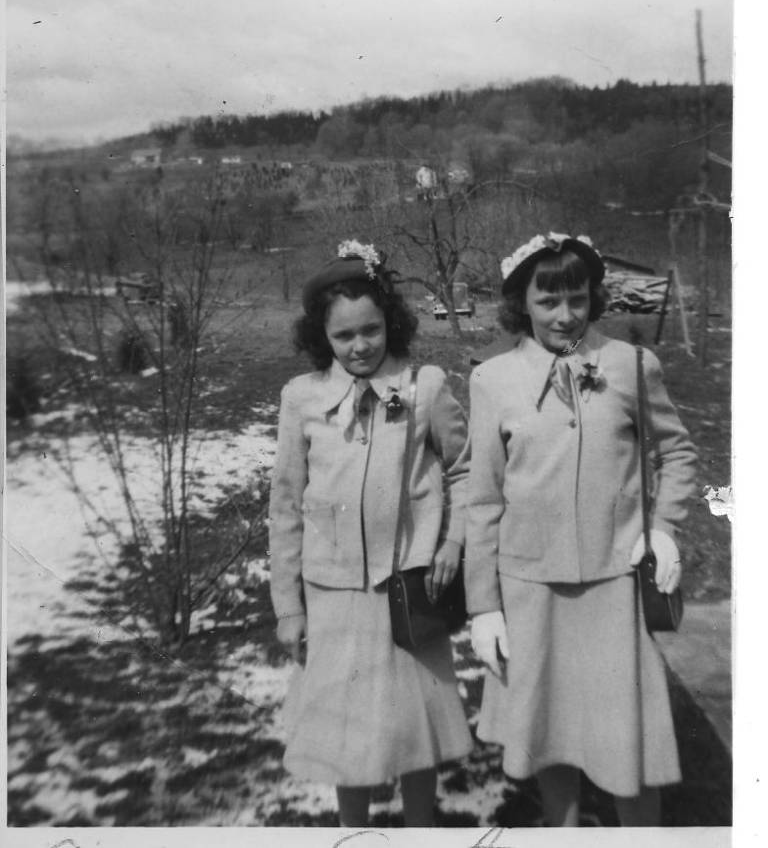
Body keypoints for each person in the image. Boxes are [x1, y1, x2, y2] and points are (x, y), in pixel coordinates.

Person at [465, 231, 697, 827]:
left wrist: (664, 528)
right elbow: (484, 498)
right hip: (530, 588)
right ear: (523, 305)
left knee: (629, 740)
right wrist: (484, 605)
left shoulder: (631, 365)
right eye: (548, 302)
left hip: (612, 583)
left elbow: (678, 453)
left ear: (593, 297)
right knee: (548, 729)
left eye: (577, 299)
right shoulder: (491, 380)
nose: (564, 315)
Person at [268, 240, 473, 826]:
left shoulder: (424, 387)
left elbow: (465, 470)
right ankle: (352, 830)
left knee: (416, 726)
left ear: (392, 323)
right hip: (333, 597)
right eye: (344, 336)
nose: (360, 346)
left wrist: (452, 541)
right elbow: (285, 504)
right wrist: (289, 606)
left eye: (372, 330)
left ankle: (420, 829)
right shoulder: (301, 399)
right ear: (321, 338)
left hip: (409, 593)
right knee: (342, 732)